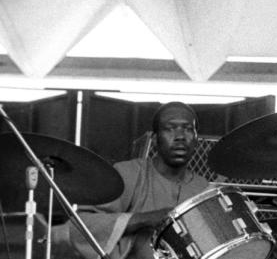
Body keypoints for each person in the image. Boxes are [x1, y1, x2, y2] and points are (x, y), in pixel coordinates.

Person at [63, 101, 209, 259]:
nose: (180, 136)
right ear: (154, 139)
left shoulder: (204, 189)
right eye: (170, 128)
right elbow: (80, 227)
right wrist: (144, 219)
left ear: (195, 139)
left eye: (188, 129)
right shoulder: (127, 174)